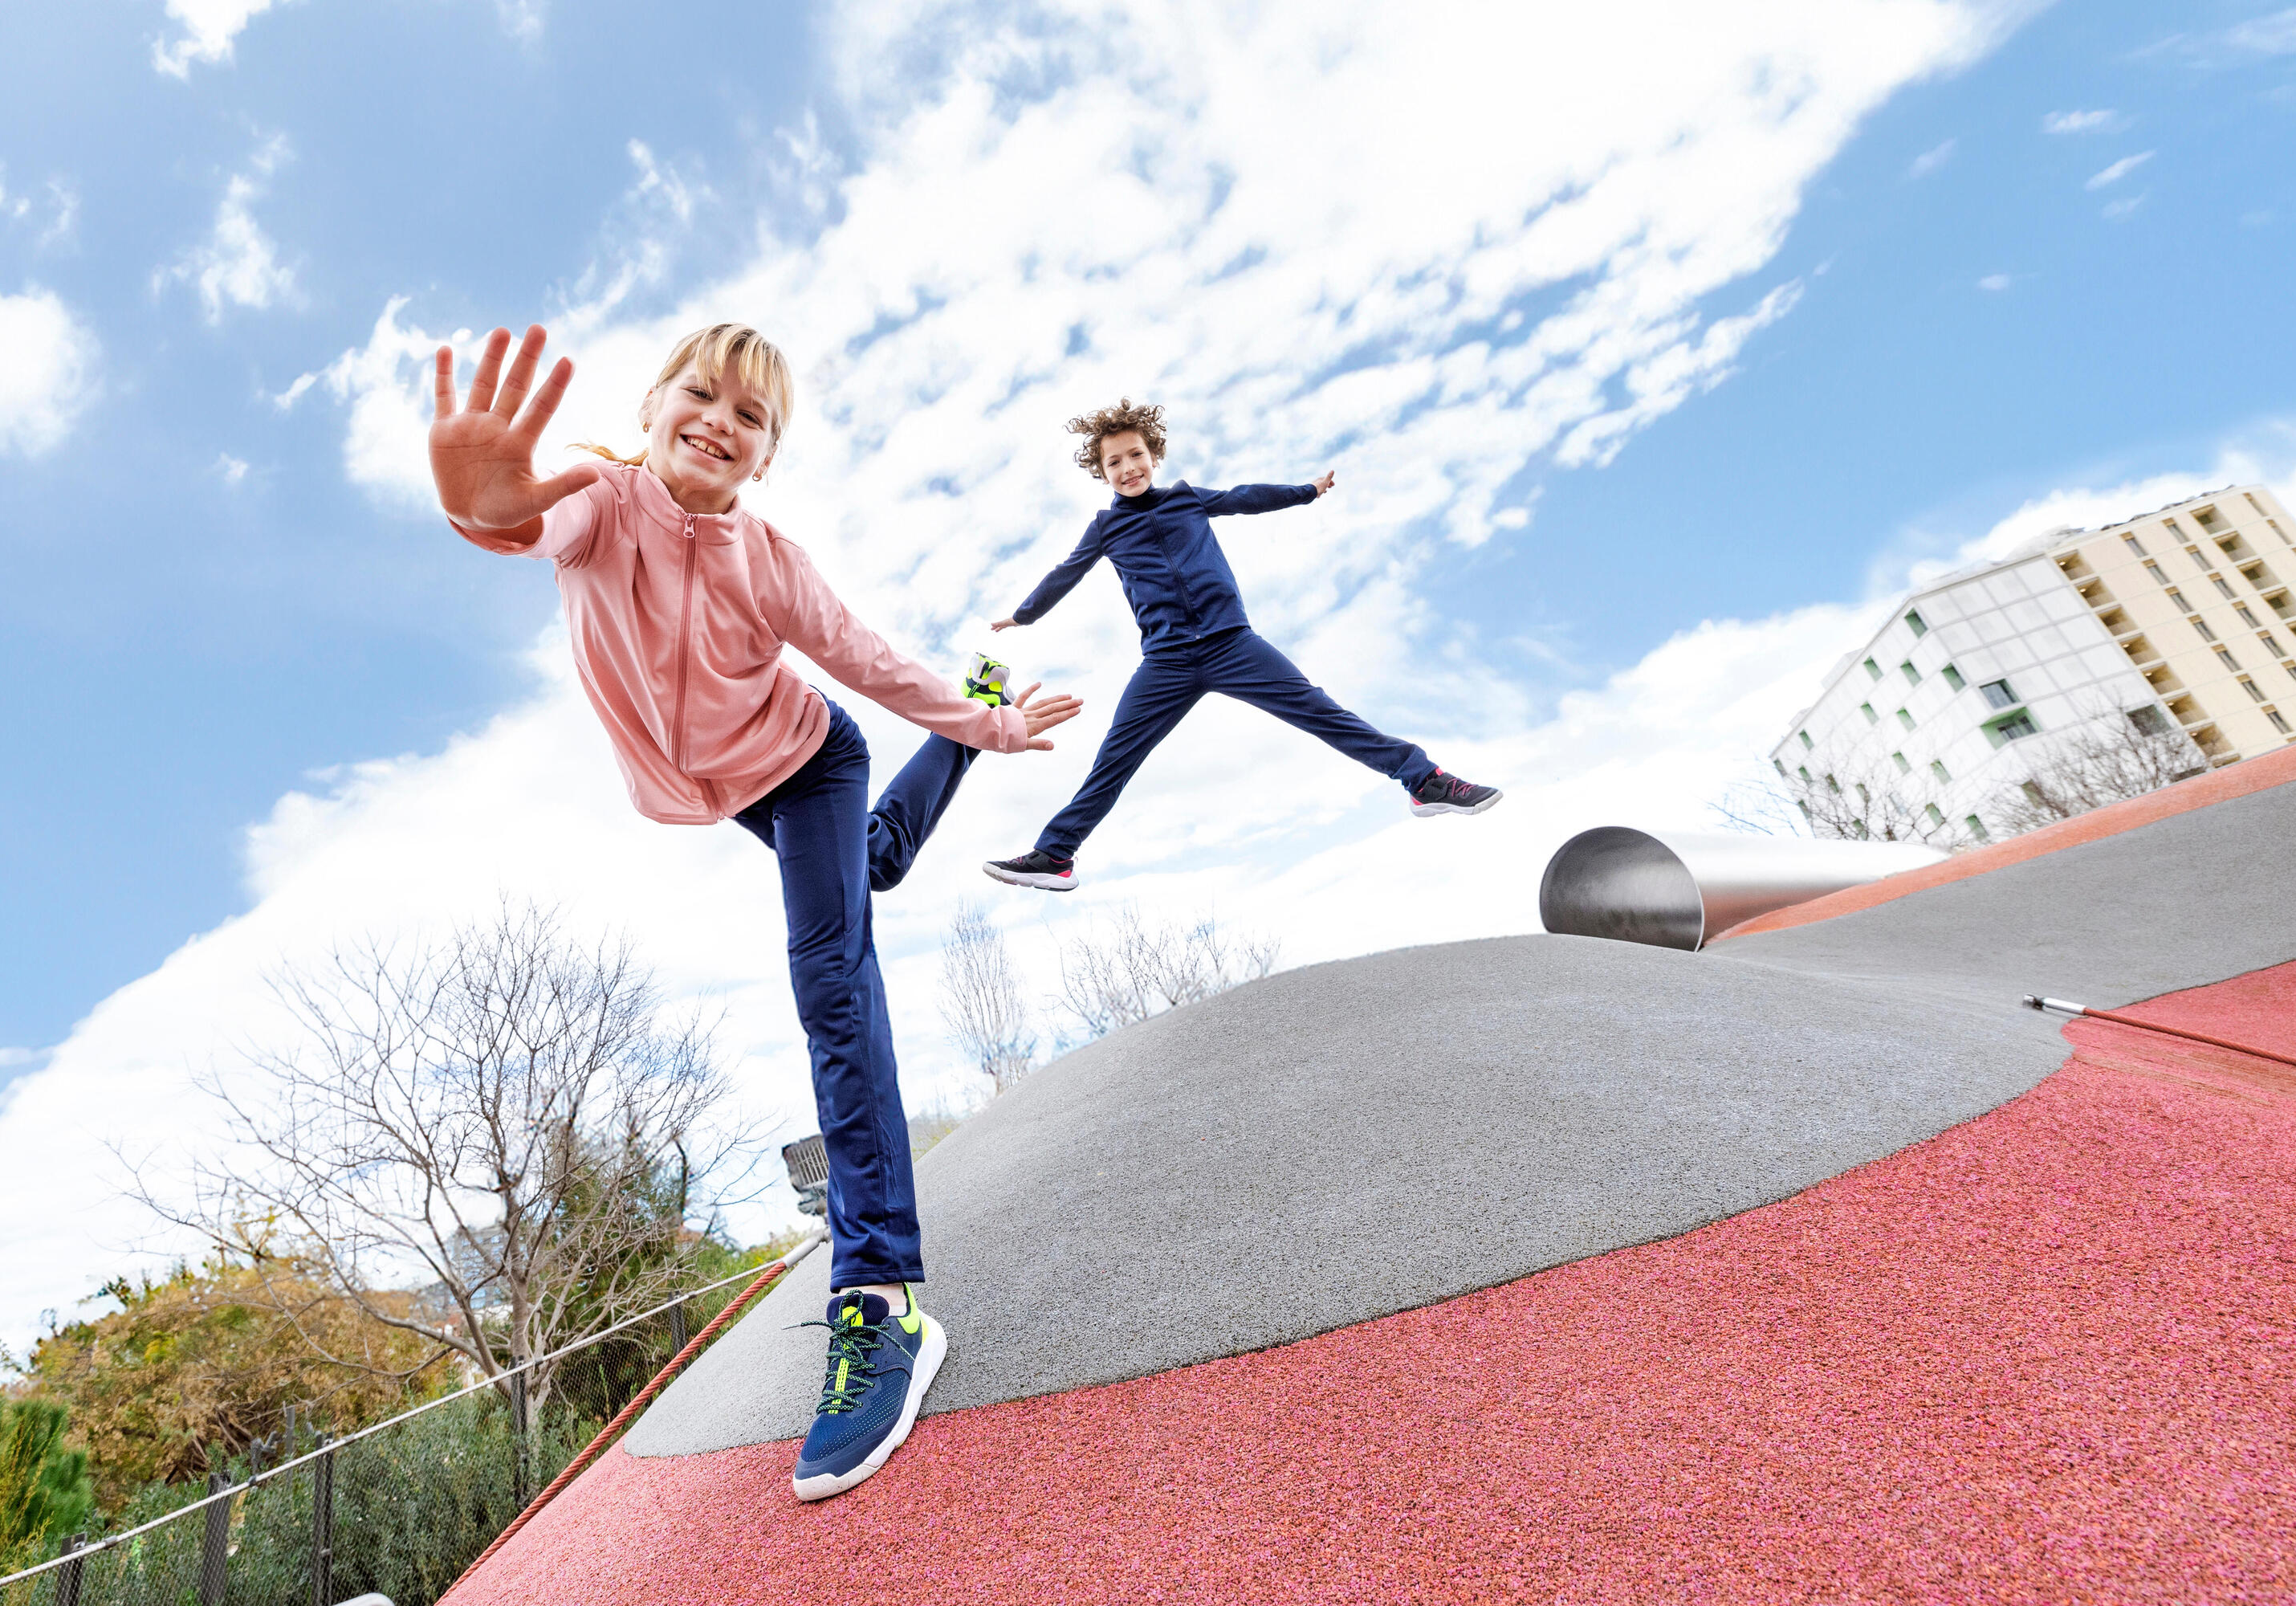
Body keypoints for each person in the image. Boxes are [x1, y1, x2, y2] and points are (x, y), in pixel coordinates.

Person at [428, 323, 1081, 1501]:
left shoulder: (768, 556)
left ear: (767, 457)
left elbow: (867, 659)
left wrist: (994, 721)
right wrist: (486, 504)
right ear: (654, 405)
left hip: (810, 758)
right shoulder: (601, 498)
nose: (721, 422)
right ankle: (961, 731)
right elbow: (525, 521)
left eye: (753, 417)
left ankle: (879, 1304)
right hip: (722, 787)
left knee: (833, 972)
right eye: (702, 394)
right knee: (872, 871)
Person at [982, 399, 1499, 891]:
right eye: (1114, 462)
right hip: (1167, 661)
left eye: (1136, 454)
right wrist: (1023, 616)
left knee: (1321, 710)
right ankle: (1056, 855)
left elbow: (1244, 497)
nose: (1128, 468)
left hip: (1233, 644)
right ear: (1103, 472)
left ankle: (1423, 780)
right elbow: (1064, 574)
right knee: (1114, 759)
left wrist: (1306, 491)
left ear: (1153, 456)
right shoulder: (1105, 527)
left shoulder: (1186, 497)